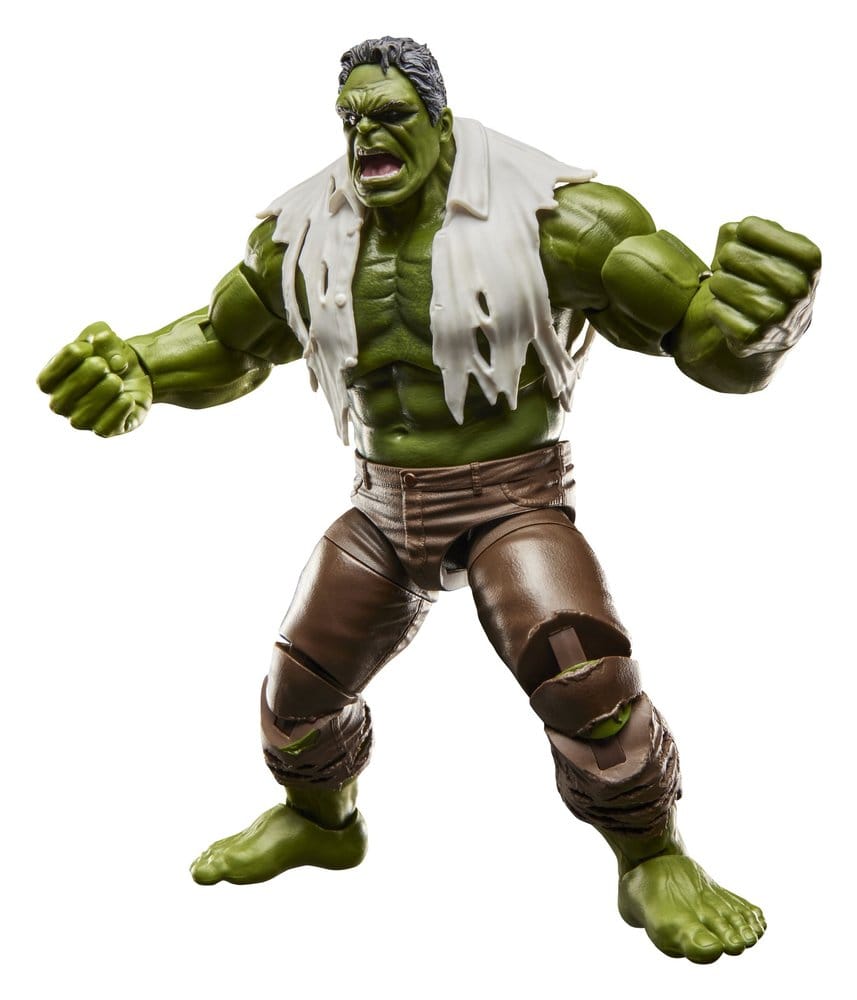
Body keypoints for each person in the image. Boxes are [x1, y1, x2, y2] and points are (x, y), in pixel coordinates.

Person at [38, 36, 820, 963]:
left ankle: (652, 860)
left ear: (438, 121)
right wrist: (138, 366)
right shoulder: (303, 232)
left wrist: (762, 330)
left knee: (582, 676)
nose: (366, 136)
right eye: (351, 119)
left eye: (390, 116)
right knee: (297, 696)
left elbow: (700, 336)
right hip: (381, 503)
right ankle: (322, 824)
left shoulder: (557, 219)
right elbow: (228, 340)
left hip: (510, 496)